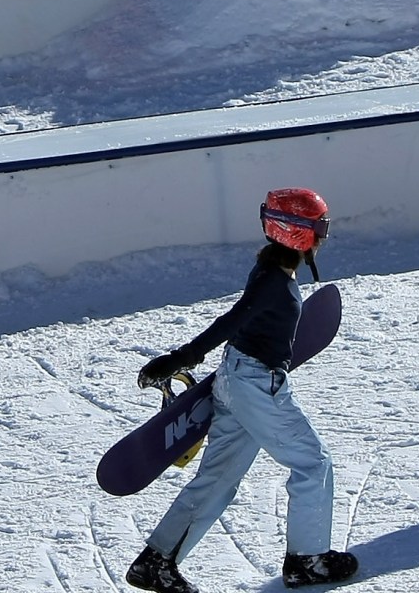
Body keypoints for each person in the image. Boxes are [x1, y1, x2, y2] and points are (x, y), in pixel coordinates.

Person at [124, 189, 358, 593]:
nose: (324, 234)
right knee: (313, 464)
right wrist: (182, 357)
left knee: (218, 477)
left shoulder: (271, 268)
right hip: (257, 387)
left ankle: (157, 561)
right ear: (298, 233)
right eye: (321, 226)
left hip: (234, 380)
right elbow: (233, 319)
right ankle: (308, 560)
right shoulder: (272, 280)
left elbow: (248, 320)